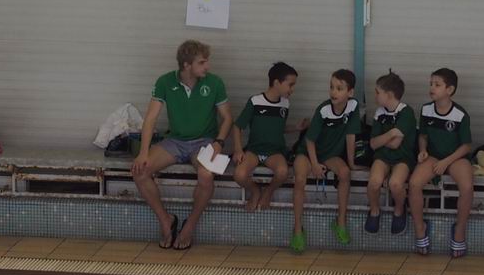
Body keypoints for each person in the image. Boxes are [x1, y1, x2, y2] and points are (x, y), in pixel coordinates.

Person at [133, 39, 232, 251]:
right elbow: (150, 119)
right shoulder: (165, 82)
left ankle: (189, 225)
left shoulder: (215, 83)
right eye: (202, 62)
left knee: (206, 176)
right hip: (175, 141)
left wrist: (219, 143)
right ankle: (166, 220)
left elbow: (227, 118)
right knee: (140, 171)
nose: (207, 66)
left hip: (203, 142)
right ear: (187, 65)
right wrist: (143, 153)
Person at [289, 68, 359, 254]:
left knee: (345, 173)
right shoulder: (323, 109)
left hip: (329, 154)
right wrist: (314, 164)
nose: (333, 92)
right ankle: (297, 229)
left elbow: (351, 135)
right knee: (300, 179)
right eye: (331, 87)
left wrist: (351, 162)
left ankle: (340, 222)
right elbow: (309, 140)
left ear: (350, 92)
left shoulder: (353, 107)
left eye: (339, 88)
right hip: (308, 152)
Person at [410, 67, 474, 258]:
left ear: (450, 90)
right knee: (414, 184)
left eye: (437, 84)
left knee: (467, 187)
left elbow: (466, 146)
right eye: (431, 83)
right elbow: (423, 135)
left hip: (456, 158)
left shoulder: (460, 114)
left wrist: (447, 161)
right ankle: (420, 228)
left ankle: (459, 229)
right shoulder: (426, 109)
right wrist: (423, 150)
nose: (432, 88)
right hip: (433, 157)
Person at [232, 62, 296, 212]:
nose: (292, 89)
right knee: (239, 175)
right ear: (277, 83)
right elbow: (237, 126)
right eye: (290, 85)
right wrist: (238, 150)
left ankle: (268, 192)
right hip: (254, 150)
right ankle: (255, 191)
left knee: (283, 172)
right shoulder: (255, 101)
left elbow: (278, 128)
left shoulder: (285, 104)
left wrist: (297, 127)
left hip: (274, 152)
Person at [363, 72, 416, 235]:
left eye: (377, 92)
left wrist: (382, 139)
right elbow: (373, 143)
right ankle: (374, 210)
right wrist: (392, 132)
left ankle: (399, 209)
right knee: (374, 182)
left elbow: (395, 144)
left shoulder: (406, 112)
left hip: (402, 158)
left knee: (395, 184)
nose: (375, 95)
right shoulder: (380, 112)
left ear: (389, 95)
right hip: (382, 157)